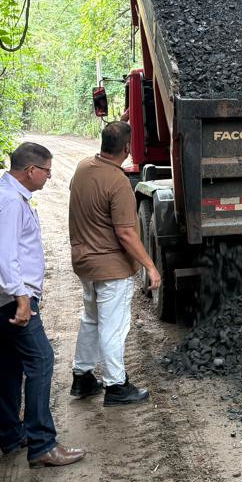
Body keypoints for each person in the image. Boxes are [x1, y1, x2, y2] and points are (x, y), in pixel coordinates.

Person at [0, 142, 85, 468]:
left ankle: (12, 435)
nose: (49, 178)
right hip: (14, 298)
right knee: (41, 359)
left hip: (4, 297)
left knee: (11, 362)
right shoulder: (10, 202)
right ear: (30, 170)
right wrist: (23, 300)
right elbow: (7, 258)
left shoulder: (4, 193)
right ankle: (42, 443)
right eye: (47, 172)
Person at [67, 121, 160, 406]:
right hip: (111, 268)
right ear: (127, 147)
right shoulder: (117, 181)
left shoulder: (83, 168)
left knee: (92, 319)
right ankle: (116, 386)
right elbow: (126, 232)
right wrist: (150, 266)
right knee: (114, 327)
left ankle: (82, 377)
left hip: (85, 264)